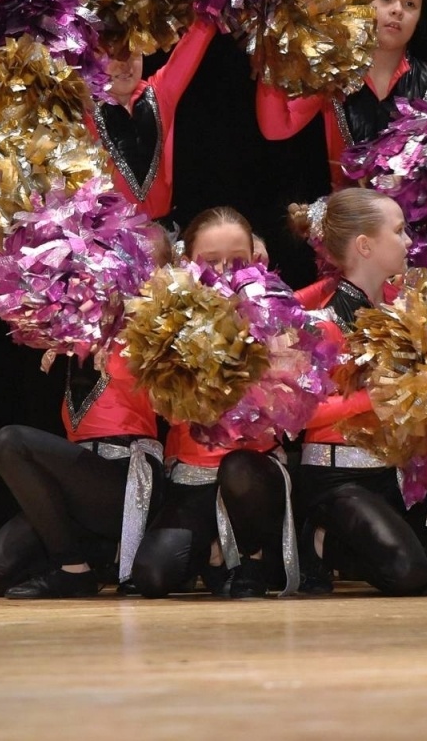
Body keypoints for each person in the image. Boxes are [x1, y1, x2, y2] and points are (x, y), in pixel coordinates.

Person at [288, 187, 427, 595]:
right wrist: (371, 398)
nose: (409, 242)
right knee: (407, 577)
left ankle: (389, 549)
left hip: (395, 469)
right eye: (400, 231)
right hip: (339, 476)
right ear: (365, 246)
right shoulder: (319, 320)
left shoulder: (409, 307)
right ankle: (325, 539)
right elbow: (300, 414)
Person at [127, 206, 296, 600]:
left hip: (252, 477)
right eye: (211, 262)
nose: (223, 272)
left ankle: (251, 561)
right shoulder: (165, 313)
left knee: (239, 468)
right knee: (152, 577)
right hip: (193, 477)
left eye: (236, 261)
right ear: (187, 261)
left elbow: (293, 407)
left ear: (256, 259)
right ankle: (214, 555)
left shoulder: (277, 310)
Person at [0, 336, 165, 600]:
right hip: (79, 481)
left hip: (125, 477)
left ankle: (73, 569)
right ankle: (102, 553)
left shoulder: (146, 322)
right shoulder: (76, 326)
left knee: (10, 442)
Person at [255, 0, 427, 189]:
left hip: (406, 224)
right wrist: (272, 47)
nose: (398, 10)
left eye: (410, 4)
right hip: (347, 220)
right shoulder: (332, 73)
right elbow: (276, 128)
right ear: (360, 0)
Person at [86, 16, 217, 228]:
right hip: (107, 240)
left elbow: (200, 31)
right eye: (113, 56)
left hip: (161, 236)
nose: (125, 65)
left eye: (132, 52)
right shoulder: (82, 109)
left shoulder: (160, 94)